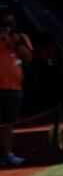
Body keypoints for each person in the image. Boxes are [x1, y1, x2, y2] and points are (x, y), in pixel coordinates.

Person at [0, 9, 30, 167]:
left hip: (13, 86)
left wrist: (16, 42)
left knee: (7, 123)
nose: (8, 20)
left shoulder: (21, 37)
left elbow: (28, 57)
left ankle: (7, 154)